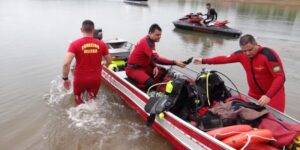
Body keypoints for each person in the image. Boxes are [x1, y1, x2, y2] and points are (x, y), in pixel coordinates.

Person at [193, 34, 286, 112]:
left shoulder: (268, 54)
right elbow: (224, 59)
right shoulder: (241, 55)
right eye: (244, 50)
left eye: (250, 49)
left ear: (256, 44)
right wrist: (204, 60)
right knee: (252, 118)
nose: (247, 53)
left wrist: (268, 95)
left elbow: (280, 77)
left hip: (273, 94)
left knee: (277, 121)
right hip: (254, 94)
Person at [62, 20, 112, 105]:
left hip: (80, 78)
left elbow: (66, 64)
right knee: (91, 101)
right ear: (93, 30)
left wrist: (65, 79)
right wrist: (105, 64)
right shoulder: (101, 44)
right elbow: (109, 61)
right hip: (95, 78)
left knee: (78, 99)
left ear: (81, 30)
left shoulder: (75, 44)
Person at [125, 24, 187, 90]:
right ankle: (142, 88)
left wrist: (154, 66)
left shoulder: (152, 41)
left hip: (144, 67)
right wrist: (175, 62)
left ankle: (156, 87)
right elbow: (156, 59)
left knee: (163, 71)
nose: (159, 37)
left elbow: (151, 56)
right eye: (157, 35)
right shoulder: (146, 43)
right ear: (150, 33)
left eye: (160, 35)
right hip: (133, 69)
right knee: (150, 83)